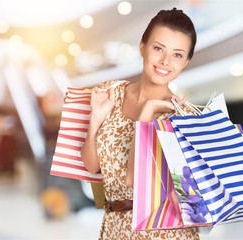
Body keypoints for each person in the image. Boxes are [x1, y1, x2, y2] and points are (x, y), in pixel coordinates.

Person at [81, 8, 200, 240]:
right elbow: (91, 166)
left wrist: (146, 114)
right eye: (158, 49)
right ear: (142, 46)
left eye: (177, 55)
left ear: (185, 62)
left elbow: (134, 180)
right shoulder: (110, 94)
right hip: (114, 227)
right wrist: (94, 121)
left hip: (165, 233)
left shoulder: (182, 117)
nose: (165, 61)